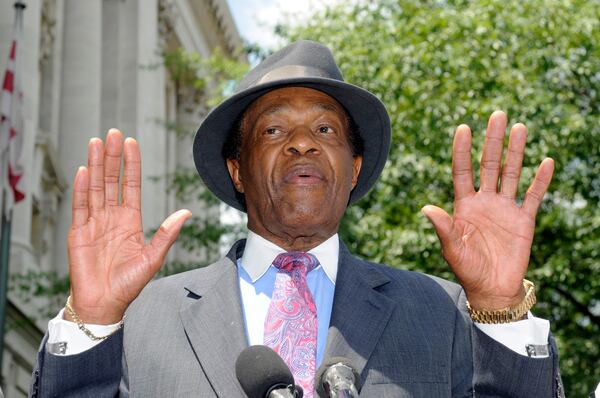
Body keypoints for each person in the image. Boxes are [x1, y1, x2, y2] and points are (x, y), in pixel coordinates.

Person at [29, 40, 562, 397]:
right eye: (273, 131)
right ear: (237, 171)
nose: (302, 143)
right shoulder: (143, 318)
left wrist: (499, 309)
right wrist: (94, 320)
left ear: (353, 170)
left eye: (325, 131)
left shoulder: (441, 313)